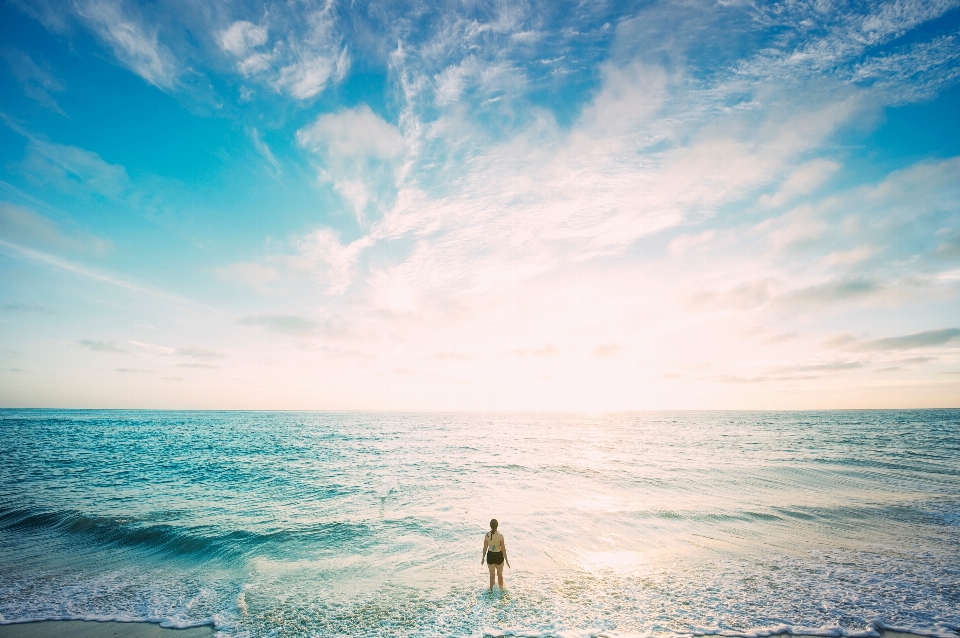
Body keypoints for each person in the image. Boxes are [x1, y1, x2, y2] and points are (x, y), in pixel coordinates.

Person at [481, 518, 509, 590]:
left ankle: (491, 593)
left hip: (490, 555)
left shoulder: (487, 535)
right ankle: (501, 591)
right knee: (500, 575)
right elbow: (503, 549)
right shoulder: (500, 536)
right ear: (497, 526)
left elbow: (485, 548)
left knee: (492, 576)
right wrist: (506, 560)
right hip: (499, 555)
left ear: (490, 526)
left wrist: (483, 558)